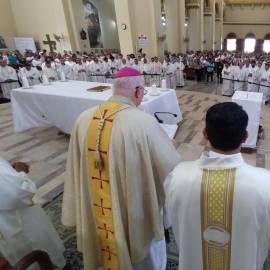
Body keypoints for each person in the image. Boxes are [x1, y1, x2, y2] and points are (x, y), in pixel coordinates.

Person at [61, 67, 181, 270]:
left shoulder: (83, 119)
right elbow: (172, 171)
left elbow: (75, 172)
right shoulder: (143, 122)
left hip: (97, 212)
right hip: (134, 218)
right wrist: (171, 146)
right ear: (138, 92)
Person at [164, 102, 270, 270]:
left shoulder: (177, 176)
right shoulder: (266, 185)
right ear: (245, 137)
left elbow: (168, 216)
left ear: (205, 134)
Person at [0, 158, 65, 269]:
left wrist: (10, 173)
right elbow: (18, 194)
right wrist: (20, 173)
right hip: (16, 224)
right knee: (36, 257)